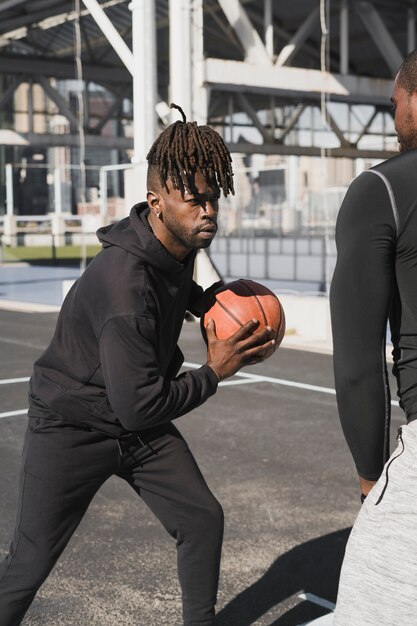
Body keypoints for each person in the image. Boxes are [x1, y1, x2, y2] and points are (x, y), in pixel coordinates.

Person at [0, 104, 276, 626]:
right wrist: (213, 372)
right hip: (73, 424)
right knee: (29, 564)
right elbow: (140, 405)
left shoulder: (174, 242)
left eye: (213, 198)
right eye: (194, 200)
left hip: (133, 417)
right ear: (157, 201)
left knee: (201, 519)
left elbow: (167, 285)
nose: (208, 211)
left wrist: (201, 300)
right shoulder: (124, 286)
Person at [330, 49, 417, 625]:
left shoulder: (381, 190)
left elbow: (358, 364)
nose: (393, 118)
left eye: (395, 103)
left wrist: (371, 482)